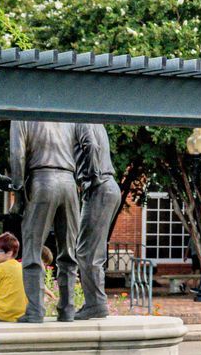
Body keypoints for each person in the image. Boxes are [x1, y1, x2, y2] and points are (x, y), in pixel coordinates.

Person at [9, 120, 80, 323]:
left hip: (42, 181)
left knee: (32, 250)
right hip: (69, 183)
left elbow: (17, 155)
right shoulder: (65, 117)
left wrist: (18, 196)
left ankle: (35, 311)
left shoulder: (22, 116)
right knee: (68, 251)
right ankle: (67, 310)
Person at [71, 123, 121, 319]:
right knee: (92, 250)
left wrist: (92, 178)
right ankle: (95, 303)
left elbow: (90, 145)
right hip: (108, 186)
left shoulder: (80, 119)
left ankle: (96, 304)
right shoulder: (95, 121)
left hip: (100, 187)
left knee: (86, 251)